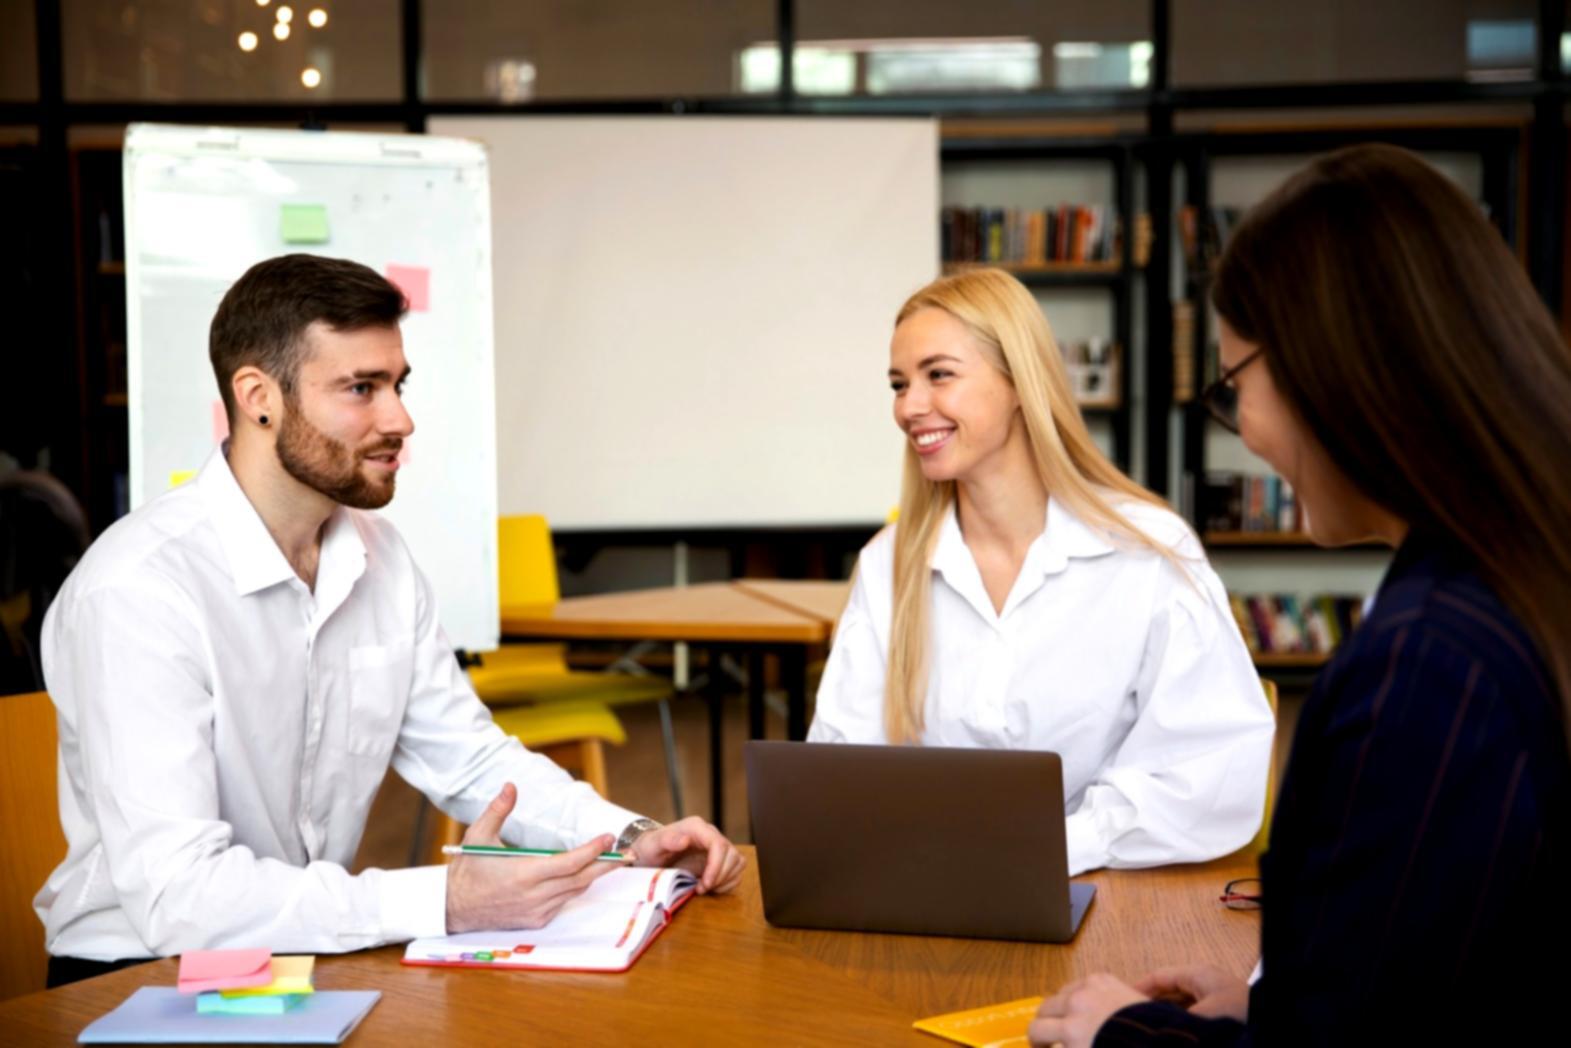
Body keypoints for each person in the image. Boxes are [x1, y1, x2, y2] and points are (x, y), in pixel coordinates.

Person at [36, 254, 744, 987]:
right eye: (360, 389)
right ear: (257, 397)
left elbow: (468, 760)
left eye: (397, 385)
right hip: (132, 977)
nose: (400, 420)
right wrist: (447, 899)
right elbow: (178, 897)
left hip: (299, 960)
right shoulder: (138, 591)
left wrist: (628, 838)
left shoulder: (380, 556)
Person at [1029, 144, 1571, 1047]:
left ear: (1335, 364)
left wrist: (1122, 1033)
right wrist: (1274, 998)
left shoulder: (1426, 668)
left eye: (1234, 383)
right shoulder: (1517, 583)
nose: (1239, 427)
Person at [808, 267, 1274, 875]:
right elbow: (841, 766)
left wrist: (1054, 848)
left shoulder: (1148, 552)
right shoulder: (888, 564)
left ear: (1019, 382)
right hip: (935, 888)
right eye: (899, 384)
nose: (908, 407)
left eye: (938, 375)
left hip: (1114, 889)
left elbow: (1209, 770)